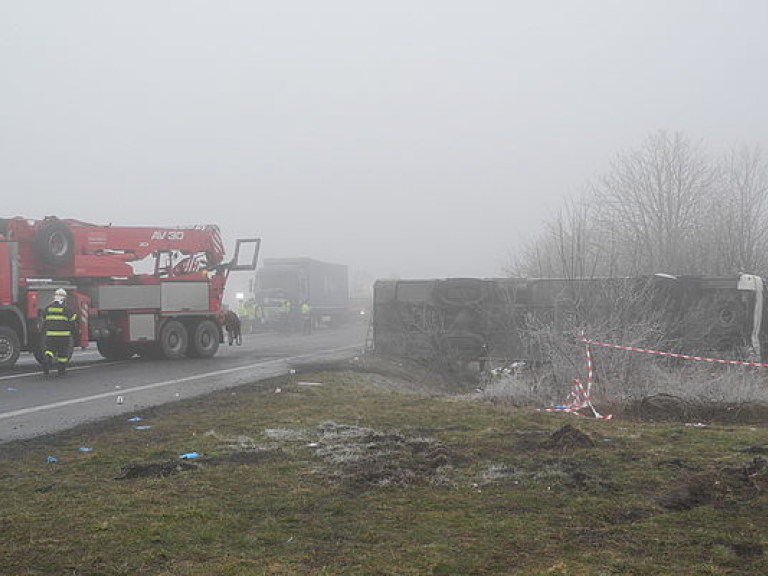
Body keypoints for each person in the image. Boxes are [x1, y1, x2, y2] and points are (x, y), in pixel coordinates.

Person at [41, 288, 78, 376]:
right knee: (63, 353)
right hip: (64, 336)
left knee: (49, 349)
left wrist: (44, 332)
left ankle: (47, 359)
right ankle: (61, 370)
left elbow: (44, 321)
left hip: (50, 334)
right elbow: (72, 323)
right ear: (64, 299)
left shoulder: (47, 308)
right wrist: (74, 333)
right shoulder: (67, 309)